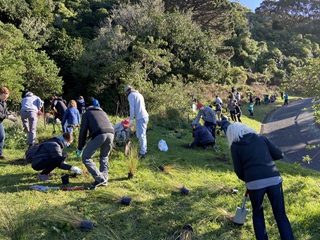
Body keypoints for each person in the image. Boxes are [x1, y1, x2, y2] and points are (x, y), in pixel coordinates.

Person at [226, 123, 294, 240]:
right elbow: (279, 154)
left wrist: (248, 179)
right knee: (280, 214)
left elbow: (238, 171)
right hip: (273, 178)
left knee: (257, 214)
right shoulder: (260, 138)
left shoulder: (235, 146)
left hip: (254, 183)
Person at [76, 104, 114, 189]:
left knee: (86, 157)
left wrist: (80, 147)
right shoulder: (103, 112)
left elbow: (83, 131)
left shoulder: (87, 114)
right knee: (104, 156)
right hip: (111, 133)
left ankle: (100, 178)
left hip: (100, 134)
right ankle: (104, 179)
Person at [124, 85, 149, 158]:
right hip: (143, 116)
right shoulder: (139, 94)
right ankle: (143, 149)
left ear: (127, 91)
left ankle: (143, 152)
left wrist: (131, 119)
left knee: (141, 135)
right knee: (140, 134)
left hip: (141, 117)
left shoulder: (131, 95)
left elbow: (132, 108)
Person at [0, 87, 16, 159]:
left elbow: (5, 111)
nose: (5, 98)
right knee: (1, 136)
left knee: (2, 137)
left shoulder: (4, 102)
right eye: (3, 96)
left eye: (6, 97)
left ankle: (0, 154)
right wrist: (7, 117)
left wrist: (10, 115)